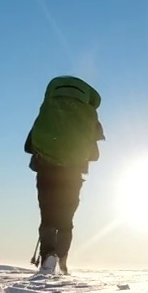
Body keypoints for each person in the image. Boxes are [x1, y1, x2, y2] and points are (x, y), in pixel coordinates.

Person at [24, 75, 105, 275]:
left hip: (46, 170)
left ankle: (48, 257)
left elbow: (29, 145)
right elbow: (94, 155)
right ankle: (62, 259)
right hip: (73, 174)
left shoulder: (48, 111)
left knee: (48, 215)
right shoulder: (87, 117)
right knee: (66, 219)